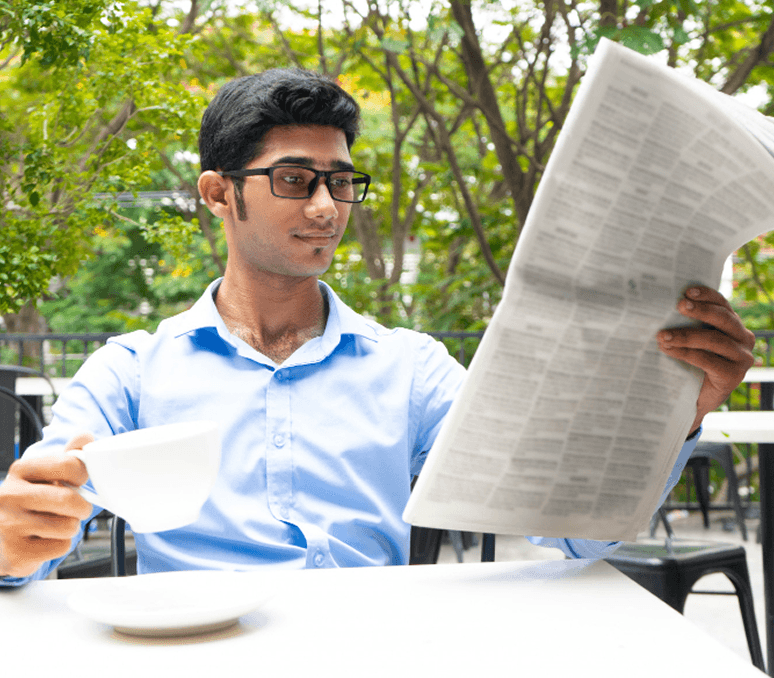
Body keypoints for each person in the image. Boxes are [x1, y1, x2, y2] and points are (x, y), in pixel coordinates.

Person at [0, 69, 755, 583]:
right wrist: (14, 536)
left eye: (341, 181)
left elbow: (576, 534)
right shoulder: (132, 370)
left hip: (376, 648)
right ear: (218, 194)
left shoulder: (413, 368)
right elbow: (30, 544)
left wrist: (673, 417)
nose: (328, 207)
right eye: (295, 180)